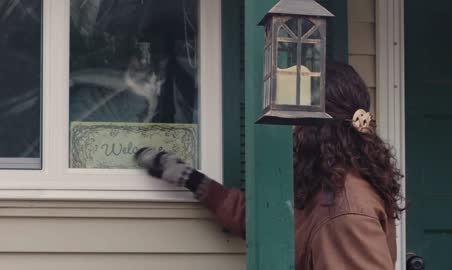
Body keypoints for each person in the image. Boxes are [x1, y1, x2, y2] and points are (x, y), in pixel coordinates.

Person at [134, 62, 404, 270]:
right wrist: (190, 178)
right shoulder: (324, 186)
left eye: (292, 114)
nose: (287, 126)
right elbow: (267, 222)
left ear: (317, 125)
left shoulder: (346, 210)